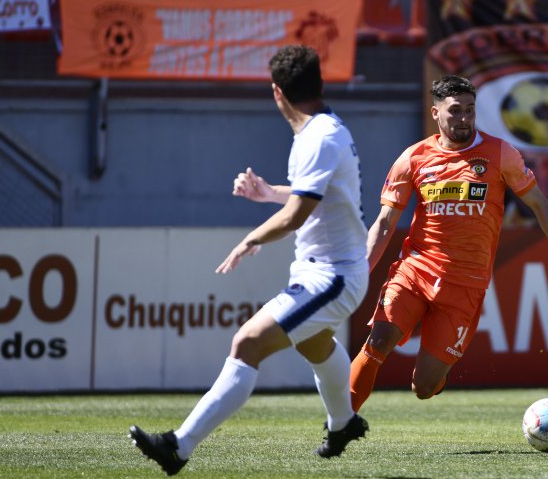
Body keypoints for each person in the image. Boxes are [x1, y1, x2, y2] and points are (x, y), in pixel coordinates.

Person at [128, 45, 370, 476]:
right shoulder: (322, 131)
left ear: (276, 92)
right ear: (320, 84)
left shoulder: (318, 137)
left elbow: (297, 215)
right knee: (316, 346)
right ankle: (344, 424)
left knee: (247, 343)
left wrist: (250, 238)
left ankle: (178, 447)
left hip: (333, 276)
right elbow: (316, 197)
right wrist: (269, 194)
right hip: (326, 270)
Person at [349, 75, 548, 411]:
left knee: (423, 387)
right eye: (454, 111)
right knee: (378, 343)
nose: (464, 118)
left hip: (466, 284)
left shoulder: (500, 154)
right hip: (415, 271)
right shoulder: (413, 158)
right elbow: (385, 222)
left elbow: (540, 205)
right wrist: (360, 271)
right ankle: (338, 426)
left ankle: (435, 379)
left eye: (470, 110)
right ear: (435, 113)